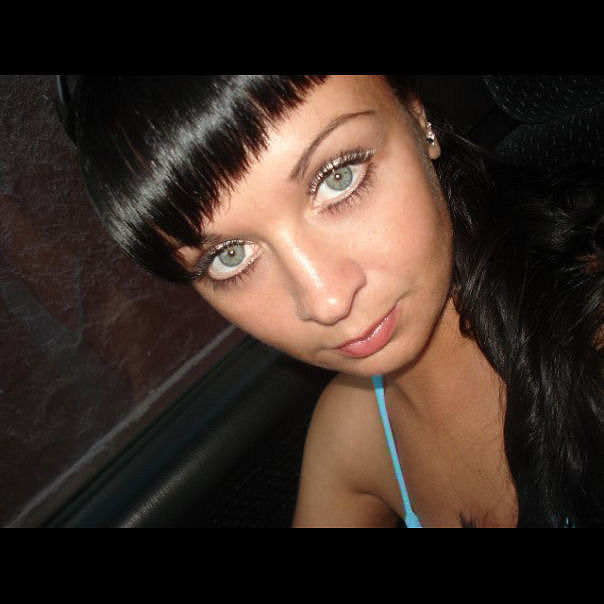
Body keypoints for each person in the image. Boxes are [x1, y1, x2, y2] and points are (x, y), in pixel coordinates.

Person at [63, 75, 603, 527]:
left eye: (337, 177)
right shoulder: (351, 437)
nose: (326, 301)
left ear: (417, 117)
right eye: (229, 256)